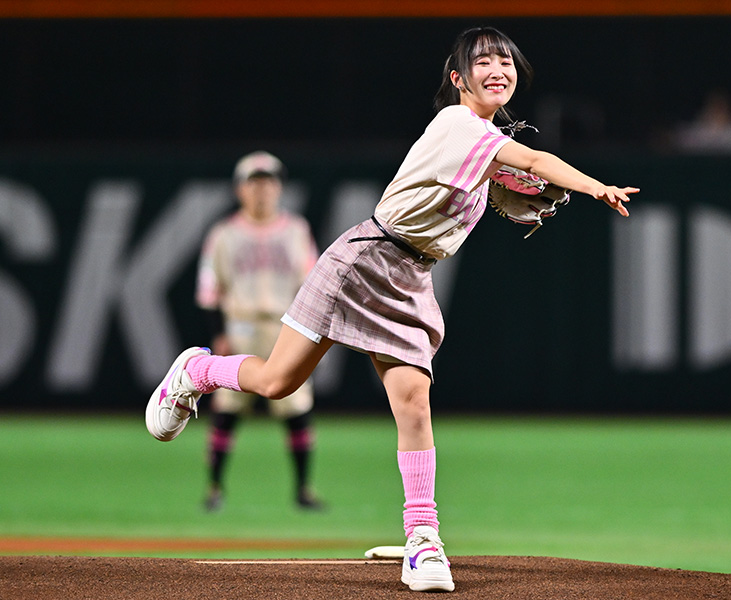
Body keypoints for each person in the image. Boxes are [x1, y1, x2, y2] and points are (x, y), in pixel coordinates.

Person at [146, 26, 638, 593]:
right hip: (364, 260)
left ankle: (423, 539)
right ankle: (197, 371)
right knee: (278, 382)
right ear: (458, 79)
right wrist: (595, 186)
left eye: (506, 61)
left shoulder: (484, 146)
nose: (498, 69)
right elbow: (532, 157)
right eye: (483, 61)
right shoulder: (458, 125)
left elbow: (508, 171)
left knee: (413, 402)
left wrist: (512, 185)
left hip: (410, 277)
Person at [195, 150, 323, 512]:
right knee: (227, 409)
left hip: (286, 327)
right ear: (240, 189)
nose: (262, 190)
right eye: (254, 183)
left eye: (269, 182)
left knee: (297, 408)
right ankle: (214, 487)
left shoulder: (297, 230)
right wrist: (218, 333)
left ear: (279, 188)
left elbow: (312, 285)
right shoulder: (224, 234)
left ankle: (304, 489)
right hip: (241, 327)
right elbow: (209, 290)